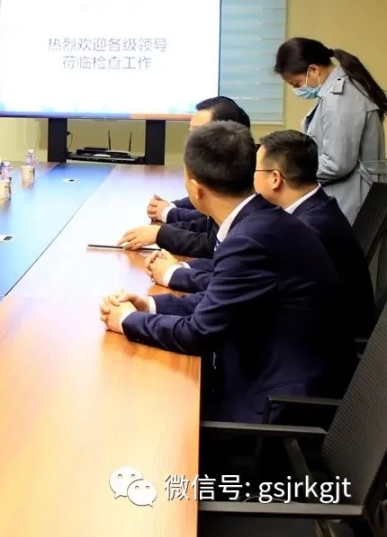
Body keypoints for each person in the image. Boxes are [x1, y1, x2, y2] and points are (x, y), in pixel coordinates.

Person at [99, 121, 348, 423]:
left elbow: (199, 333)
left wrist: (127, 321)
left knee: (148, 409)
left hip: (274, 405)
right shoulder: (260, 220)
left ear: (196, 189)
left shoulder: (251, 238)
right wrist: (150, 305)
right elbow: (218, 298)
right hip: (265, 370)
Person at [149, 130, 376, 343]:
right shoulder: (309, 210)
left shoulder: (309, 226)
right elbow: (243, 275)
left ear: (275, 178)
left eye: (254, 171)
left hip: (319, 342)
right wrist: (182, 269)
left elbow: (240, 284)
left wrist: (175, 274)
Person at [275, 37, 387, 224]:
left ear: (313, 70)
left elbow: (337, 164)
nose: (297, 90)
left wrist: (294, 173)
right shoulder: (339, 92)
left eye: (296, 84)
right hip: (353, 194)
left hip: (353, 198)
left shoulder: (340, 98)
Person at [145, 96, 251, 225]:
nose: (192, 139)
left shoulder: (245, 169)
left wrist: (168, 213)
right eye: (191, 132)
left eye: (198, 132)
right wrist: (172, 206)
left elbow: (212, 219)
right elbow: (204, 195)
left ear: (226, 133)